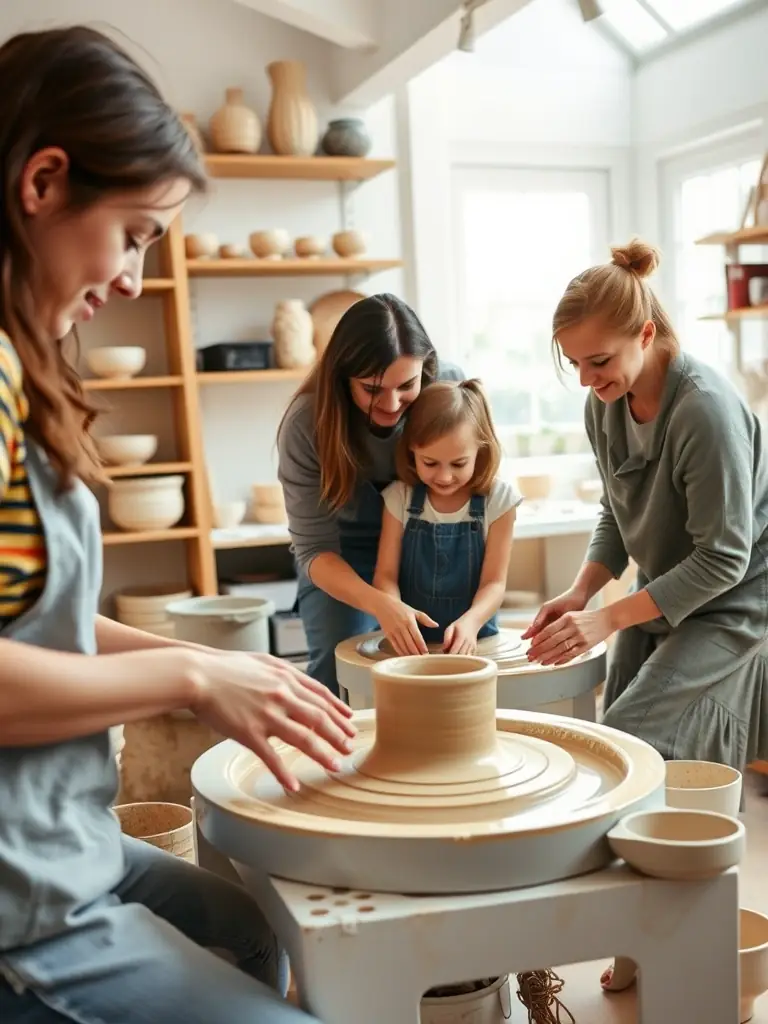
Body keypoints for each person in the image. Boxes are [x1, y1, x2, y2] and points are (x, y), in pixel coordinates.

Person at [0, 25, 357, 1024]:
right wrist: (191, 678)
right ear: (43, 182)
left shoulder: (24, 366)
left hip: (61, 833)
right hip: (20, 897)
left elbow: (32, 624)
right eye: (134, 233)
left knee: (247, 926)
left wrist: (208, 664)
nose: (133, 279)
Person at [277, 294, 463, 695]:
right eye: (372, 389)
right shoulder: (306, 424)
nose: (391, 404)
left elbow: (477, 487)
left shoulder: (449, 388)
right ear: (342, 378)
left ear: (426, 368)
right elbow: (314, 550)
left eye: (407, 386)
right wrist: (381, 602)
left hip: (427, 541)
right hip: (342, 555)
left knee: (443, 669)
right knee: (337, 673)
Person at [373, 379, 520, 655]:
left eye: (458, 463)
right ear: (411, 451)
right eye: (430, 463)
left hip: (476, 640)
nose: (444, 476)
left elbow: (494, 583)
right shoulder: (399, 498)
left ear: (480, 450)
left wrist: (470, 623)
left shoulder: (499, 500)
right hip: (411, 644)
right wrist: (396, 614)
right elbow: (385, 576)